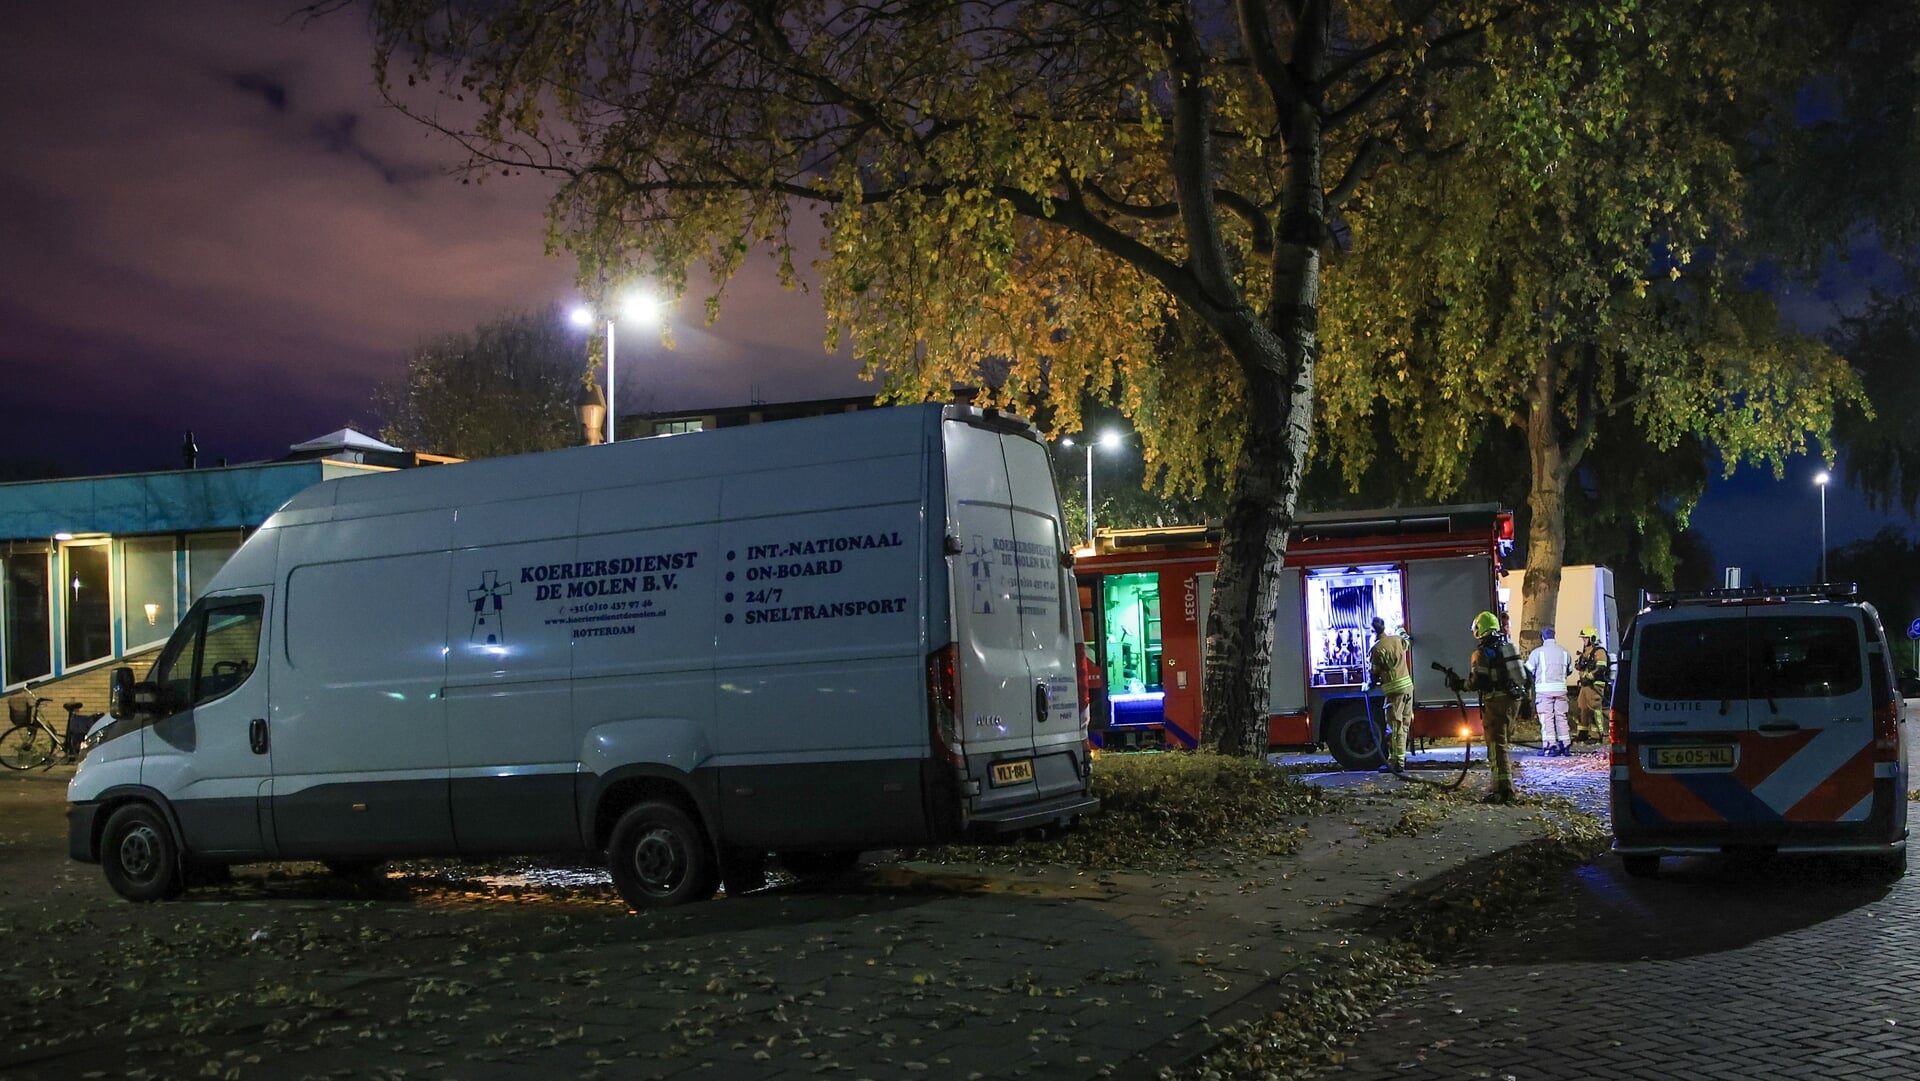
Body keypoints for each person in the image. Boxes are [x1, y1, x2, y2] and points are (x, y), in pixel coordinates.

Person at [1449, 609, 1527, 804]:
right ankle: (1503, 788)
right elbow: (1525, 676)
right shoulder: (1507, 646)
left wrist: (1460, 684)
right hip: (1513, 700)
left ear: (1480, 630)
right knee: (1502, 745)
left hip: (1496, 702)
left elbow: (1479, 680)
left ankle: (1503, 791)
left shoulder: (1482, 652)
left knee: (1496, 746)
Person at [1367, 616, 1415, 774]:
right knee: (1404, 725)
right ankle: (1399, 758)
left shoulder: (1376, 649)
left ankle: (1397, 763)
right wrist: (1401, 628)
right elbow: (1408, 641)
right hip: (1408, 687)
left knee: (1394, 727)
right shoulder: (1397, 640)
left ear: (1373, 631)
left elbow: (1374, 675)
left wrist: (1367, 685)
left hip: (1394, 692)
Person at [1525, 626, 1573, 757]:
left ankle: (1550, 746)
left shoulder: (1537, 653)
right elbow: (1570, 670)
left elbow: (1528, 669)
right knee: (1561, 717)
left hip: (1543, 691)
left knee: (1547, 718)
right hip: (1561, 690)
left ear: (1543, 637)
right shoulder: (1564, 652)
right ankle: (1565, 744)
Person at [1574, 626, 1611, 743]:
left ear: (1592, 638)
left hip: (1595, 685)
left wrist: (1590, 675)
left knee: (1595, 708)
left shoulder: (1599, 651)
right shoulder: (1585, 652)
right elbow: (1580, 665)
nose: (1584, 641)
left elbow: (1601, 667)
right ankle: (1583, 732)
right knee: (1582, 707)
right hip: (1585, 685)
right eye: (1583, 638)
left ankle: (1602, 733)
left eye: (1586, 638)